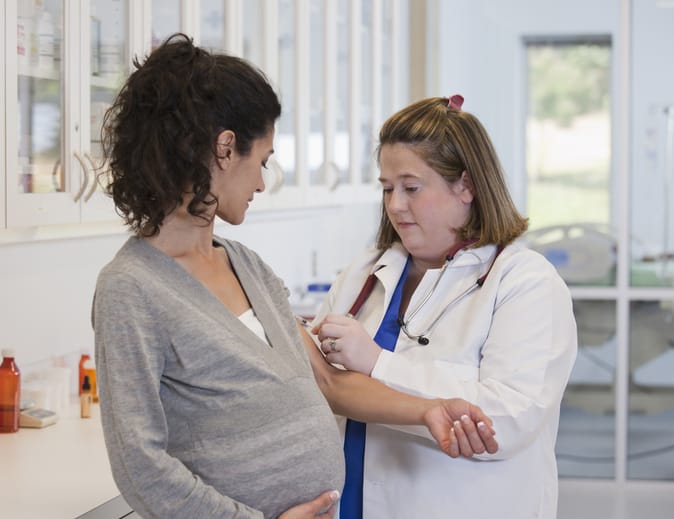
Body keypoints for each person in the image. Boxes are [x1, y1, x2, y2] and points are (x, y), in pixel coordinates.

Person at [92, 35, 497, 519]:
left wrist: (427, 408)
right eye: (261, 161)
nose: (263, 181)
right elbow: (139, 466)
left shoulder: (246, 265)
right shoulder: (131, 288)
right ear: (224, 149)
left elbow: (325, 379)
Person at [310, 95, 578, 519]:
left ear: (466, 186)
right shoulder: (363, 273)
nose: (395, 205)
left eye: (411, 188)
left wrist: (378, 363)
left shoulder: (525, 282)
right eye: (386, 188)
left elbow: (506, 419)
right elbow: (314, 384)